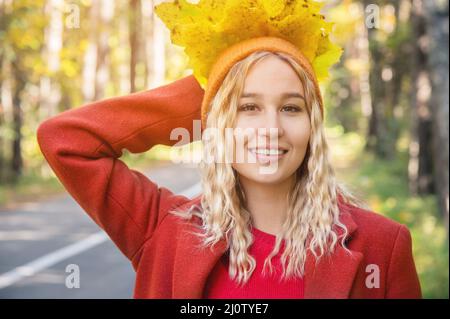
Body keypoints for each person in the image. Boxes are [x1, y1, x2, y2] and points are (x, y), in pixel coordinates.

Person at [37, 0, 422, 298]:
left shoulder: (383, 246)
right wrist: (210, 92)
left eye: (291, 108)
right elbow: (67, 141)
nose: (271, 129)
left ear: (312, 126)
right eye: (248, 108)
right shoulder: (162, 228)